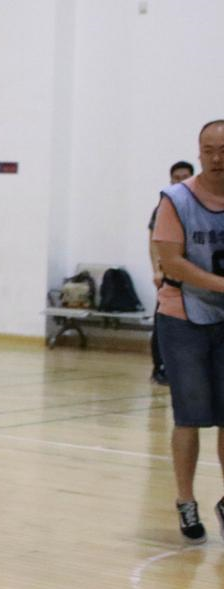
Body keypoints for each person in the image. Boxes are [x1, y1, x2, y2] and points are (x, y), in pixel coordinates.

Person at [153, 120, 224, 544]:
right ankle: (186, 499)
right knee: (190, 416)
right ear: (199, 153)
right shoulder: (176, 199)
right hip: (183, 317)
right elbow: (172, 262)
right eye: (209, 150)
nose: (217, 158)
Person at [148, 161, 195, 384]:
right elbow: (153, 241)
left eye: (185, 177)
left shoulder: (204, 204)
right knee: (163, 322)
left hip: (196, 277)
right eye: (176, 178)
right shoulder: (164, 206)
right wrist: (157, 270)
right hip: (170, 277)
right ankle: (160, 367)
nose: (181, 181)